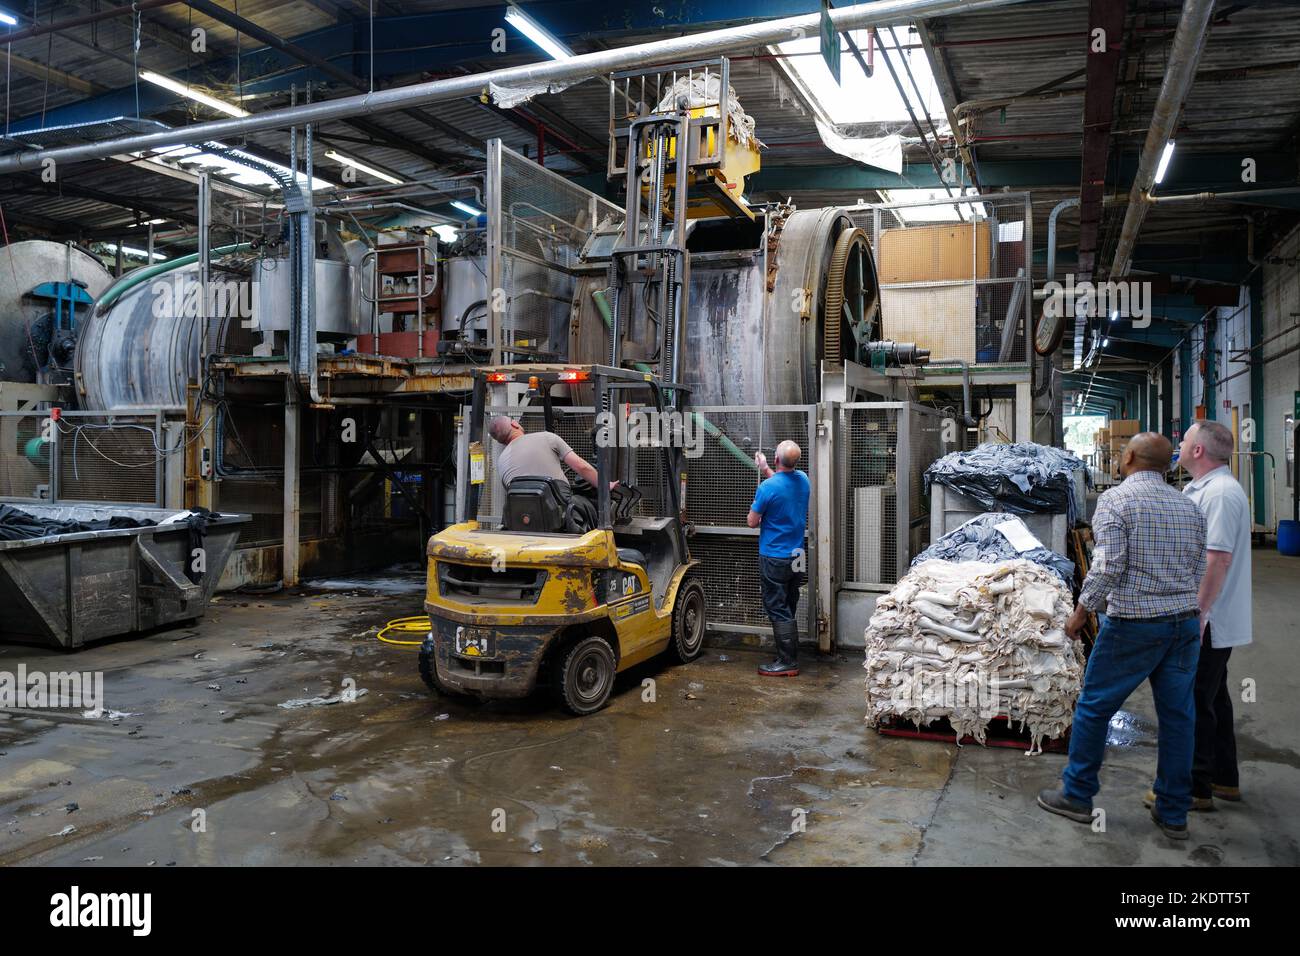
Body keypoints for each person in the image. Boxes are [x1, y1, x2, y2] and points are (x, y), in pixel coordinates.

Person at [1038, 432, 1207, 840]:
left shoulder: (1117, 501)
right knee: (1179, 716)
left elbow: (1109, 565)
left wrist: (1081, 613)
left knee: (1095, 706)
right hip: (1183, 622)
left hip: (1134, 623)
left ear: (1128, 457)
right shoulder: (1189, 506)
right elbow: (1198, 567)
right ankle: (1173, 811)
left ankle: (1077, 794)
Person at [1167, 419, 1251, 809]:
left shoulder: (1219, 494)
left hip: (1210, 620)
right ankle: (1224, 778)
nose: (1179, 444)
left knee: (1195, 699)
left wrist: (1196, 616)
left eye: (1184, 440)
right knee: (1214, 697)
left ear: (1198, 450)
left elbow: (1217, 559)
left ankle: (1196, 788)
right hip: (1212, 617)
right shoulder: (1204, 487)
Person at [747, 440, 811, 677]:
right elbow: (781, 485)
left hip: (775, 557)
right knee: (789, 603)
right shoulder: (803, 479)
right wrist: (764, 468)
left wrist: (761, 515)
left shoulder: (767, 488)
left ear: (776, 460)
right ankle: (788, 653)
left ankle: (788, 661)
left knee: (777, 606)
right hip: (797, 554)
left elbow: (752, 522)